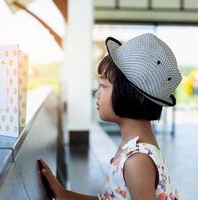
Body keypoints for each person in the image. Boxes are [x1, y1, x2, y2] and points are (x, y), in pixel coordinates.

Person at [40, 33, 182, 200]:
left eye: (103, 85)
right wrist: (64, 194)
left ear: (132, 95)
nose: (97, 94)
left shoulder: (137, 160)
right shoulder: (133, 148)